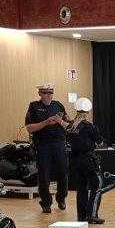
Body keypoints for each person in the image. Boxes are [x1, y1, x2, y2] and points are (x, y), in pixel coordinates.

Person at [24, 83, 69, 214]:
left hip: (59, 143)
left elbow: (68, 125)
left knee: (63, 172)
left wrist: (60, 121)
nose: (48, 95)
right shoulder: (34, 106)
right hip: (43, 144)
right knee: (44, 175)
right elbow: (29, 128)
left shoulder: (58, 105)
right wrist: (46, 122)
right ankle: (46, 202)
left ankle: (61, 198)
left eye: (50, 93)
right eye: (45, 93)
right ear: (40, 94)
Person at [67, 97, 105, 224]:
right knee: (97, 185)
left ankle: (82, 215)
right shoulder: (89, 127)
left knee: (81, 188)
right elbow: (100, 142)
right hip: (88, 160)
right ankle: (92, 214)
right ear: (88, 111)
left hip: (75, 160)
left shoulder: (71, 126)